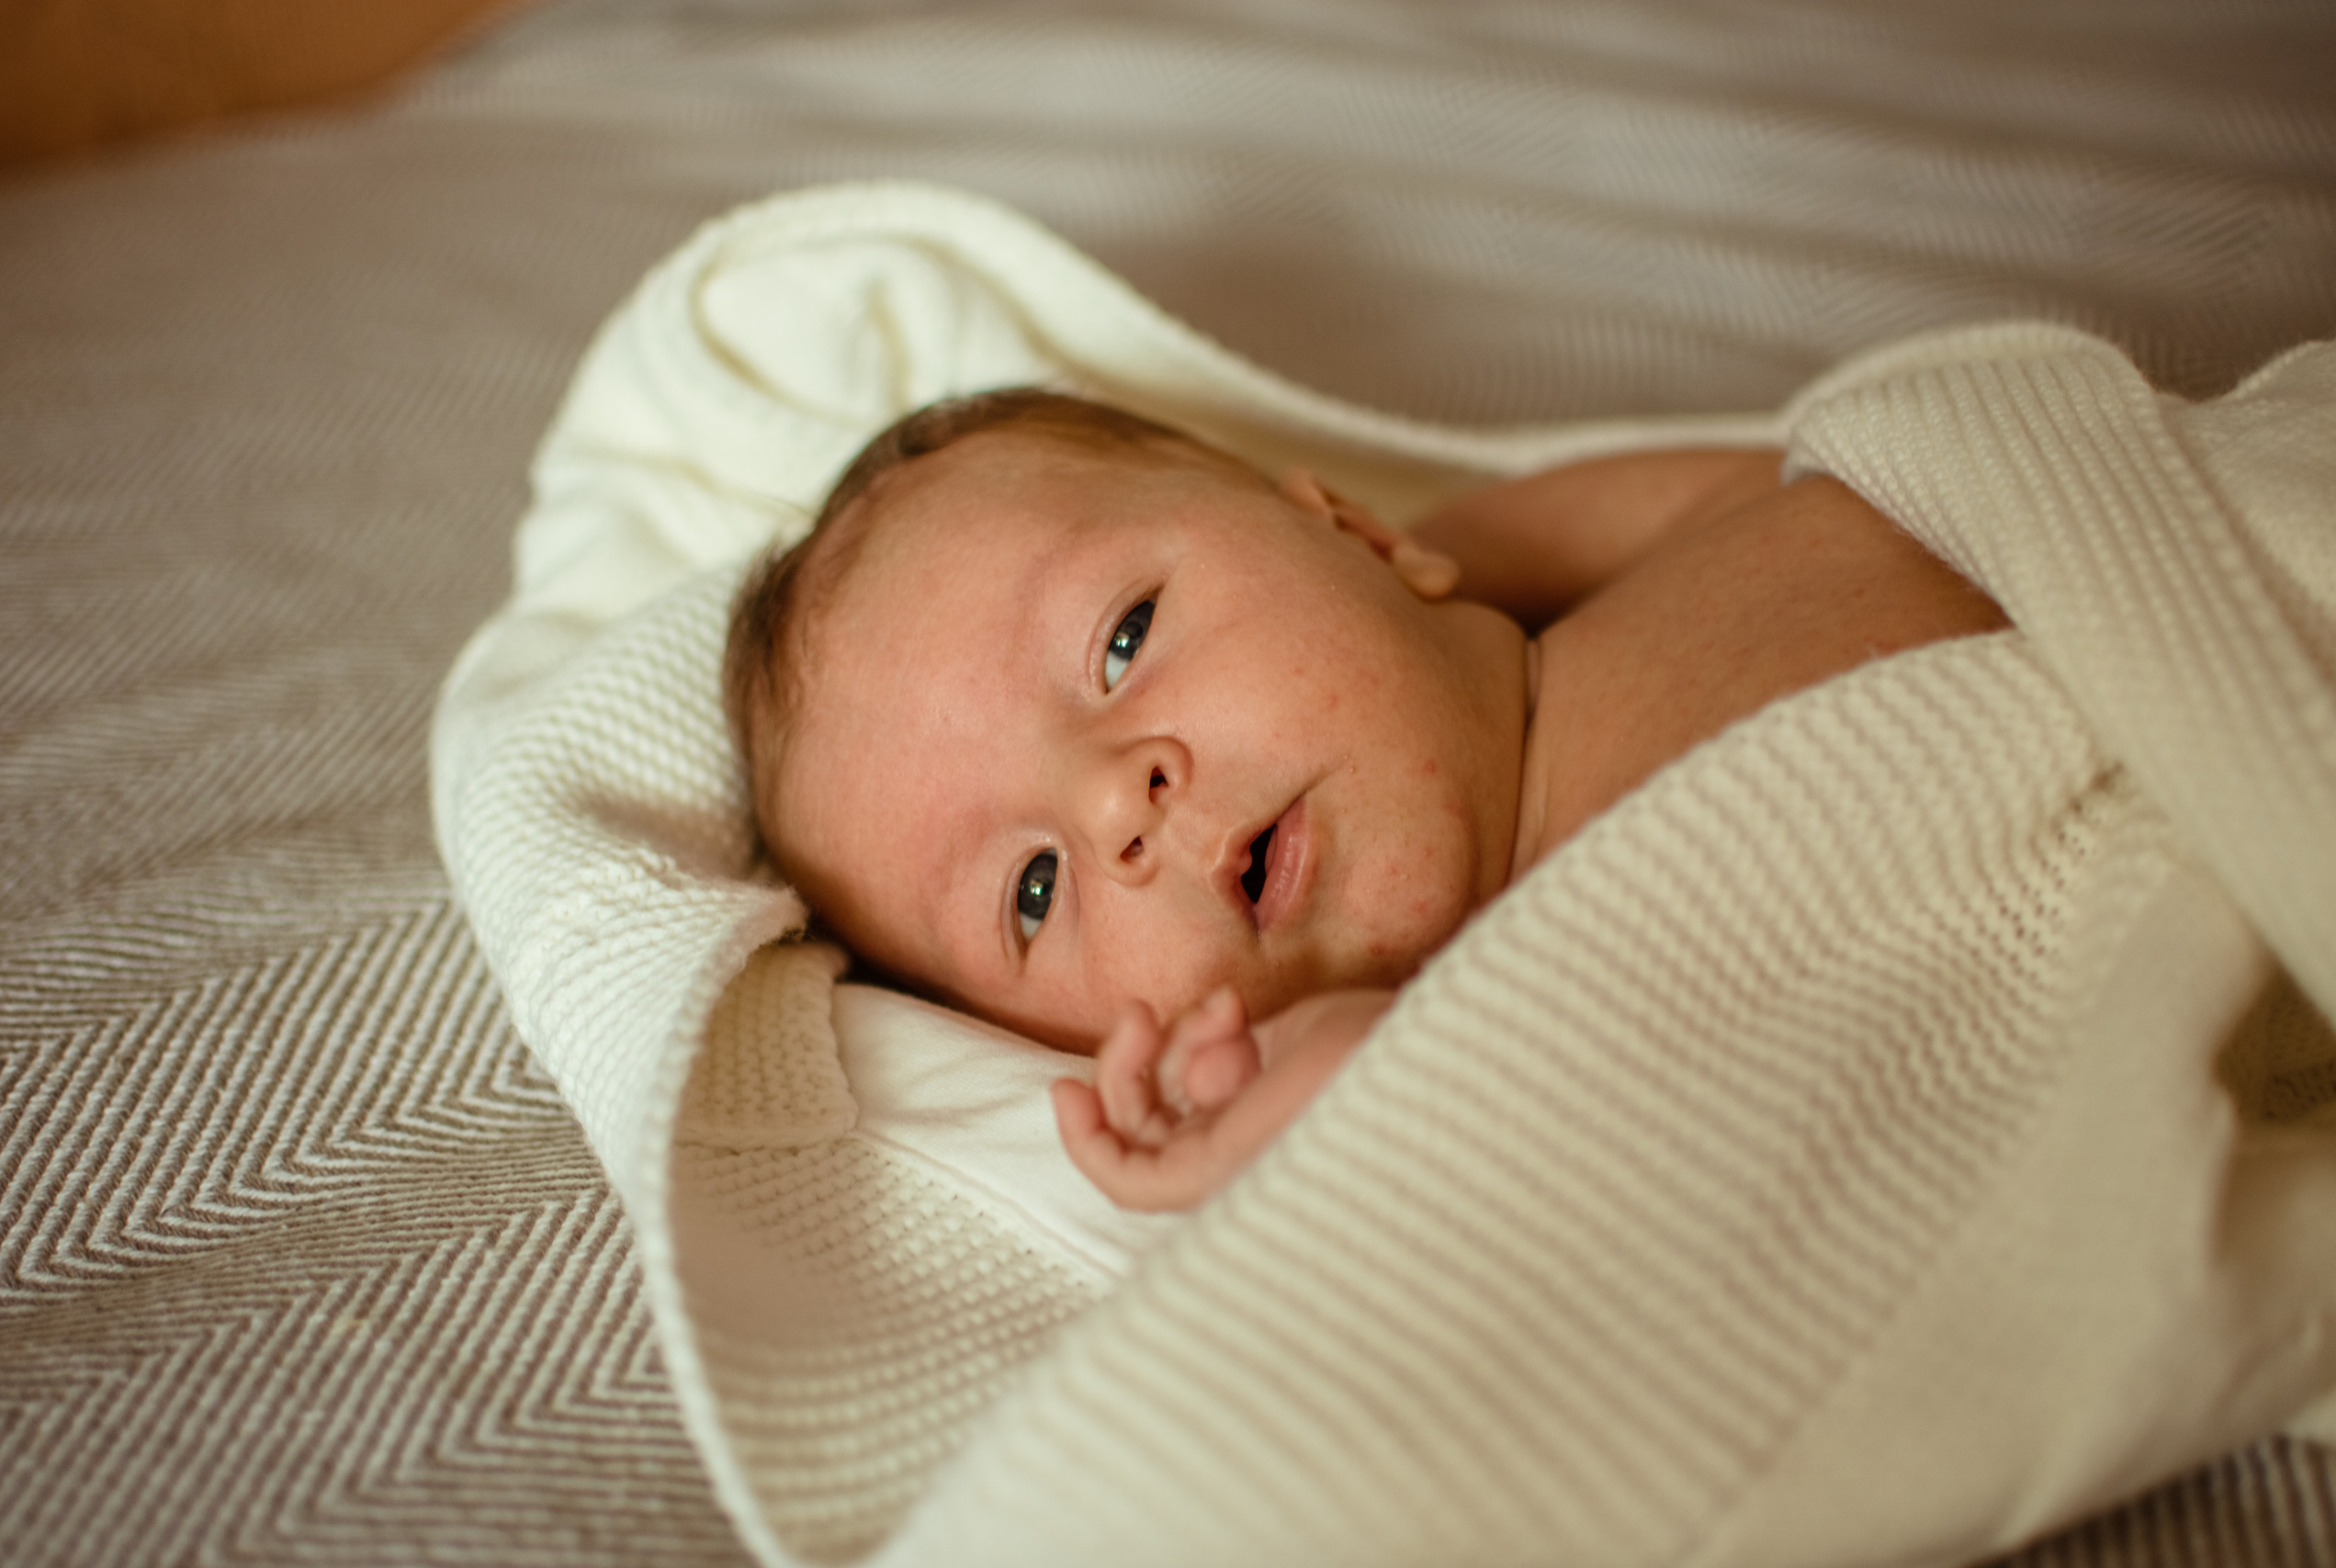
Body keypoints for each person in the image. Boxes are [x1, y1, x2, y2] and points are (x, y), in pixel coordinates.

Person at [723, 389, 2005, 1211]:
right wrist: (1365, 1097)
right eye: (1033, 891)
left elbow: (1829, 458)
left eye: (1124, 638)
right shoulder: (1512, 1053)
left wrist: (1429, 562)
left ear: (1362, 533)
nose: (1115, 804)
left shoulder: (1684, 559)